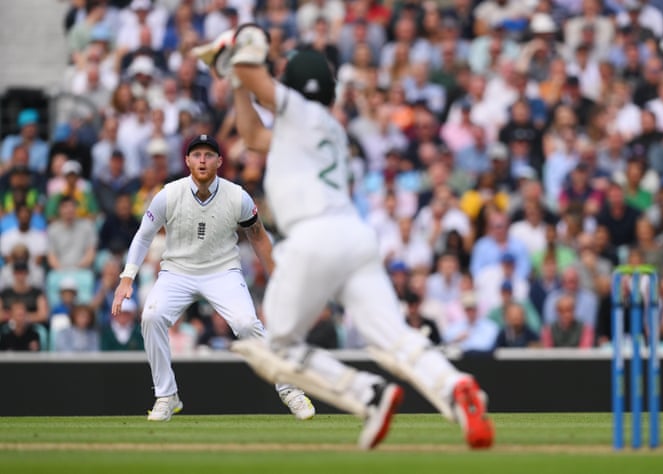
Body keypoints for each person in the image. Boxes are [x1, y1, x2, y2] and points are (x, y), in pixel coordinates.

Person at [196, 26, 493, 450]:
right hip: (355, 238)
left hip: (314, 236)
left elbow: (255, 73)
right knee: (395, 338)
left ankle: (365, 393)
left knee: (274, 348)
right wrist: (237, 79)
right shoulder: (324, 128)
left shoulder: (297, 111)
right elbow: (250, 135)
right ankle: (455, 386)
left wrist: (239, 52)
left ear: (293, 86)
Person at [111, 133, 315, 422]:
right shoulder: (168, 194)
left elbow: (258, 237)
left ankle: (289, 390)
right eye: (197, 155)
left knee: (247, 324)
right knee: (151, 317)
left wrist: (278, 279)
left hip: (223, 271)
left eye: (208, 155)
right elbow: (143, 236)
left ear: (220, 161)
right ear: (187, 161)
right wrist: (126, 278)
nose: (203, 160)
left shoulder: (237, 196)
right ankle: (166, 396)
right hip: (177, 271)